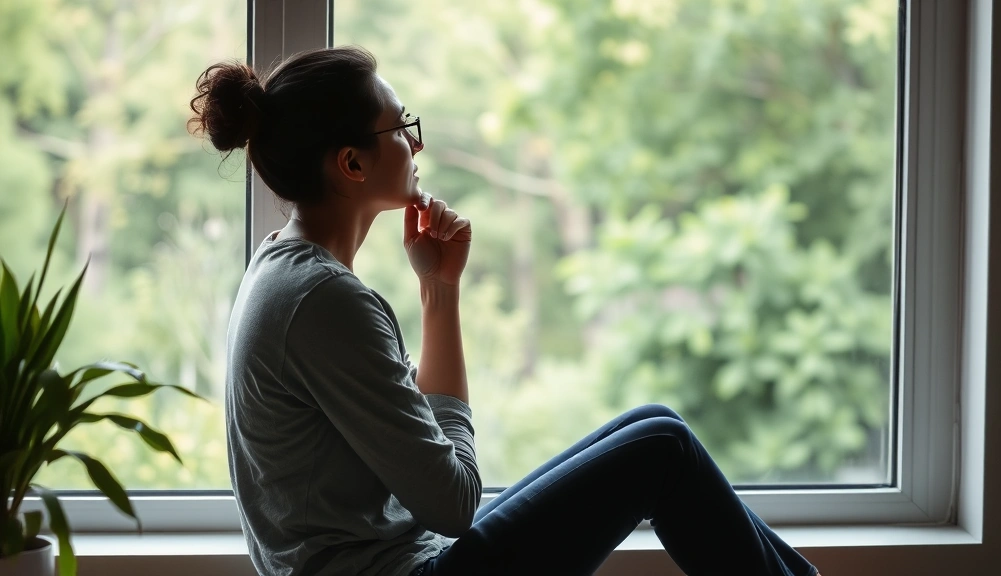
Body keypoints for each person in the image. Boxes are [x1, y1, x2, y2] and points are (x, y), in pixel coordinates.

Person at [189, 45, 821, 576]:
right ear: (352, 163)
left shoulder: (279, 267)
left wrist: (440, 289)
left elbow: (431, 478)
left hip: (411, 554)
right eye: (401, 129)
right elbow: (456, 501)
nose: (418, 143)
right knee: (663, 448)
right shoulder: (324, 299)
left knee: (656, 422)